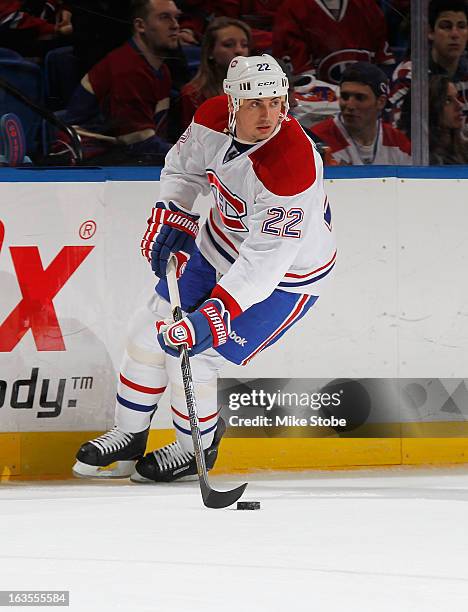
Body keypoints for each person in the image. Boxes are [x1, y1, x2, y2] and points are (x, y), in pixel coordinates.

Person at [73, 54, 336, 482]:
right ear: (231, 102)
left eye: (275, 102)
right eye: (254, 104)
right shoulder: (212, 117)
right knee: (148, 330)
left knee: (195, 356)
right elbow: (184, 168)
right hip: (219, 244)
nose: (268, 114)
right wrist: (173, 210)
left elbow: (262, 267)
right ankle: (129, 433)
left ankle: (194, 448)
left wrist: (213, 316)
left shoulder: (292, 167)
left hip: (286, 279)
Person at [59, 0, 180, 162]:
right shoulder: (128, 69)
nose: (175, 26)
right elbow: (140, 145)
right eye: (164, 17)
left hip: (117, 153)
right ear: (140, 26)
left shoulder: (160, 69)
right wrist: (189, 155)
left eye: (176, 18)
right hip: (84, 156)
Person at [309, 62, 411, 165]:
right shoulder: (315, 140)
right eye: (345, 96)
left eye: (360, 98)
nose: (350, 106)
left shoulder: (398, 143)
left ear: (381, 102)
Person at [389, 0, 468, 131]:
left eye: (462, 26)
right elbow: (400, 130)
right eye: (446, 26)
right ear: (430, 32)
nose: (455, 34)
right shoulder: (410, 75)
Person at [272, 0, 395, 84]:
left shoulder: (368, 6)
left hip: (366, 101)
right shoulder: (293, 10)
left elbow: (385, 64)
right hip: (316, 107)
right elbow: (303, 81)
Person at [179, 16, 251, 131]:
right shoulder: (193, 95)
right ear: (210, 52)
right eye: (228, 45)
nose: (239, 50)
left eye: (244, 45)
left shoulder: (257, 89)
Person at [429, 75, 468, 164]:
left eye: (457, 97)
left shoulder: (464, 149)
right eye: (448, 101)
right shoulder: (421, 156)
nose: (460, 105)